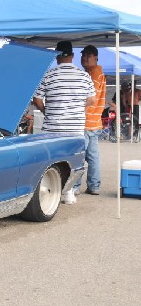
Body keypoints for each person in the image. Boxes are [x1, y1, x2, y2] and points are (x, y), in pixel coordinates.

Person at [33, 40, 96, 205]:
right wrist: (76, 108)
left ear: (56, 56)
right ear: (73, 56)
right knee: (74, 159)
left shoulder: (48, 75)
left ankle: (49, 190)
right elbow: (91, 100)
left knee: (49, 159)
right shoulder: (84, 76)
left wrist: (47, 111)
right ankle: (68, 193)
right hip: (74, 126)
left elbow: (37, 99)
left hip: (52, 126)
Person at [71, 45, 106, 196]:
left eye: (88, 55)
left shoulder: (93, 74)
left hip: (85, 121)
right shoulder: (97, 73)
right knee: (93, 157)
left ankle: (75, 187)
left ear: (96, 58)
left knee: (79, 155)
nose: (84, 58)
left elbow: (89, 100)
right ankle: (94, 186)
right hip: (94, 122)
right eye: (83, 55)